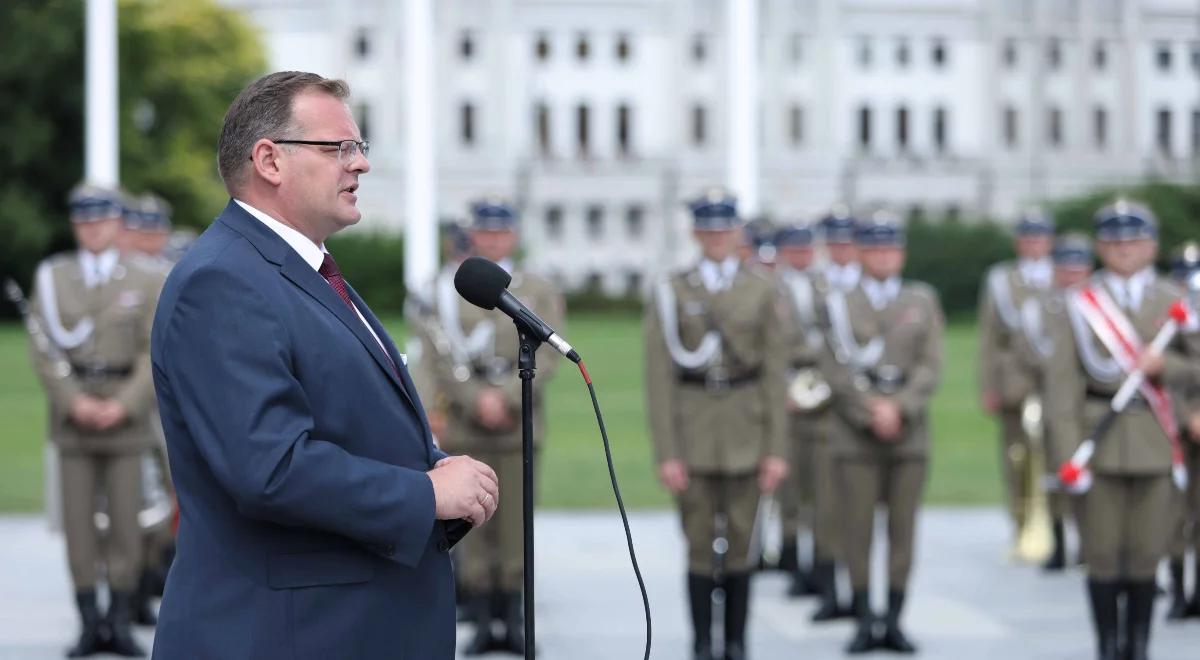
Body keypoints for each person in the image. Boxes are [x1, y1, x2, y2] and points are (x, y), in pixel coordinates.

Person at [149, 71, 497, 659]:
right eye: (339, 147)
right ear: (269, 160)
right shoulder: (223, 281)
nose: (358, 164)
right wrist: (423, 494)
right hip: (286, 634)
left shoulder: (298, 271)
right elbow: (270, 468)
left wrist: (436, 467)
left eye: (359, 147)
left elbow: (343, 420)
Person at [1044, 200, 1195, 659]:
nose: (1124, 250)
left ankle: (1139, 646)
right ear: (1099, 247)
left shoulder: (1175, 298)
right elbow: (1061, 389)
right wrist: (1071, 455)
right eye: (1114, 242)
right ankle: (1108, 647)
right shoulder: (1078, 303)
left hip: (1156, 439)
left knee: (1147, 553)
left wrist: (1164, 364)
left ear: (1151, 245)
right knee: (1104, 554)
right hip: (1099, 441)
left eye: (1133, 241)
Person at [645, 188, 788, 660]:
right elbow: (659, 377)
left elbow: (774, 373)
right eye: (708, 229)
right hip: (694, 428)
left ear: (737, 232)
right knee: (700, 543)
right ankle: (703, 643)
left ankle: (738, 643)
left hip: (748, 426)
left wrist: (776, 450)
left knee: (744, 543)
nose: (716, 237)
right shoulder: (673, 291)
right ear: (695, 233)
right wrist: (667, 451)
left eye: (724, 229)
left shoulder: (762, 288)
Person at [26, 183, 166, 657]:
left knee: (128, 523)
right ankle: (89, 621)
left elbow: (154, 351)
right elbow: (42, 349)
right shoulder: (54, 276)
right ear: (75, 225)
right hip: (74, 416)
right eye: (84, 221)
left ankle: (120, 619)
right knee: (79, 526)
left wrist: (123, 404)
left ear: (116, 224)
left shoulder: (145, 279)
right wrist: (75, 402)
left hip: (125, 416)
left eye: (101, 220)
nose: (93, 229)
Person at [428, 199, 565, 655]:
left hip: (517, 417)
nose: (493, 240)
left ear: (514, 236)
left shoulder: (538, 288)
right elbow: (438, 353)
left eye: (501, 232)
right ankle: (485, 620)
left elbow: (547, 353)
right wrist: (475, 399)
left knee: (515, 523)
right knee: (472, 523)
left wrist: (504, 397)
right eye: (484, 232)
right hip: (468, 420)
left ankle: (514, 620)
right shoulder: (448, 288)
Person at [820, 214, 943, 654]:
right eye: (874, 249)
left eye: (890, 248)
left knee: (902, 530)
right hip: (855, 434)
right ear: (859, 253)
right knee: (855, 529)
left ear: (902, 253)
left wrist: (899, 407)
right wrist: (869, 409)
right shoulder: (837, 301)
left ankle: (893, 618)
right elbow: (831, 366)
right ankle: (862, 617)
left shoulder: (921, 299)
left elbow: (930, 366)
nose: (883, 256)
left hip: (908, 434)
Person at [1014, 233, 1095, 572]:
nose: (1072, 275)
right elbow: (1028, 350)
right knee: (1055, 472)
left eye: (1078, 268)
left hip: (1092, 403)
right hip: (1051, 399)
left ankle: (1091, 544)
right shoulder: (1041, 306)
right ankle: (1058, 542)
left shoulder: (1100, 306)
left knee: (1095, 475)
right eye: (1066, 268)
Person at [978, 210, 1055, 558]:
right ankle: (1021, 525)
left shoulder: (1063, 274)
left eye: (1039, 237)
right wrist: (988, 386)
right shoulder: (1002, 280)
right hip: (1014, 381)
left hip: (1056, 380)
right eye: (1027, 238)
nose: (1033, 244)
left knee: (1059, 452)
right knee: (1016, 457)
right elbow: (989, 338)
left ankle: (1059, 529)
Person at [771, 224, 822, 595]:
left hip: (823, 387)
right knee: (788, 483)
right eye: (795, 249)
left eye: (807, 249)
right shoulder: (771, 288)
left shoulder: (828, 285)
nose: (802, 255)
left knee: (820, 483)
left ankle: (819, 561)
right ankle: (790, 554)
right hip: (785, 385)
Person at [1165, 241, 1200, 620]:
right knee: (1174, 513)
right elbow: (1163, 375)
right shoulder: (1167, 316)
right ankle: (1177, 589)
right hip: (1173, 423)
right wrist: (1187, 414)